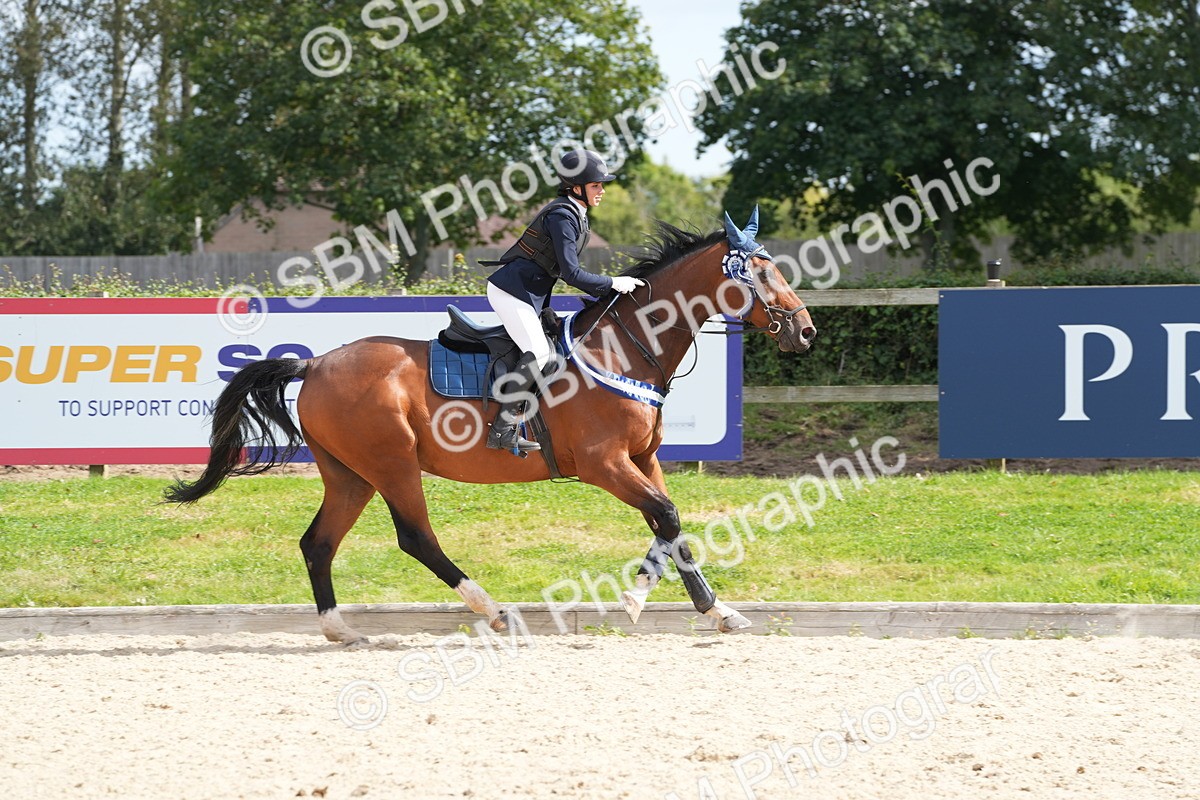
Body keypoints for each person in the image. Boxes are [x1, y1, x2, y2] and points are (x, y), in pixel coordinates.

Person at [483, 149, 645, 453]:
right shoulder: (562, 216)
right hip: (511, 291)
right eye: (597, 185)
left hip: (531, 294)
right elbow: (571, 273)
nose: (603, 190)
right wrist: (613, 283)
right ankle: (502, 430)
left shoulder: (575, 215)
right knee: (539, 353)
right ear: (576, 188)